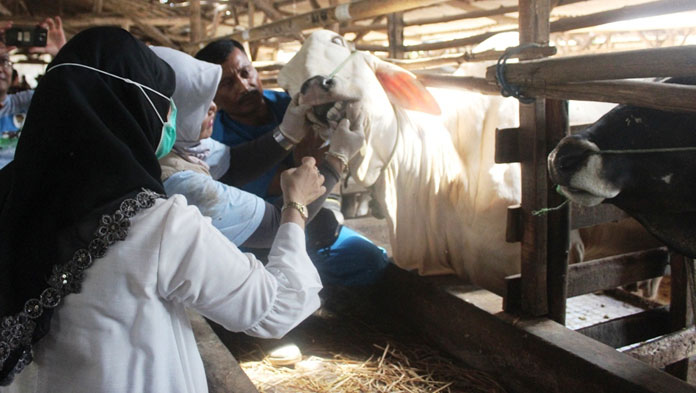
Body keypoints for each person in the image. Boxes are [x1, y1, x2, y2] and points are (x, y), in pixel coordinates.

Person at [0, 27, 325, 392]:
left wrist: (288, 133)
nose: (170, 117)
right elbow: (277, 306)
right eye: (165, 105)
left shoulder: (12, 199)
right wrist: (297, 203)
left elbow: (231, 162)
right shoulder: (156, 225)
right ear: (136, 108)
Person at [196, 39, 390, 286]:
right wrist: (325, 158)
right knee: (257, 284)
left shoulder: (293, 104)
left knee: (372, 260)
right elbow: (288, 186)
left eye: (246, 72)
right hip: (261, 238)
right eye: (227, 83)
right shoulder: (214, 138)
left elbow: (308, 170)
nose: (244, 86)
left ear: (254, 68)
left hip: (313, 224)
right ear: (212, 94)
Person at [151, 46, 365, 249]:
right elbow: (275, 225)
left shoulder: (181, 143)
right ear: (163, 110)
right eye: (197, 101)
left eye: (246, 72)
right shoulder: (180, 181)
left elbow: (232, 165)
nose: (212, 106)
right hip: (260, 240)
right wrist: (337, 160)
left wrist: (287, 133)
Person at [0, 17, 66, 169]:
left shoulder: (26, 103)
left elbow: (72, 93)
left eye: (4, 61)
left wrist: (62, 56)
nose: (0, 68)